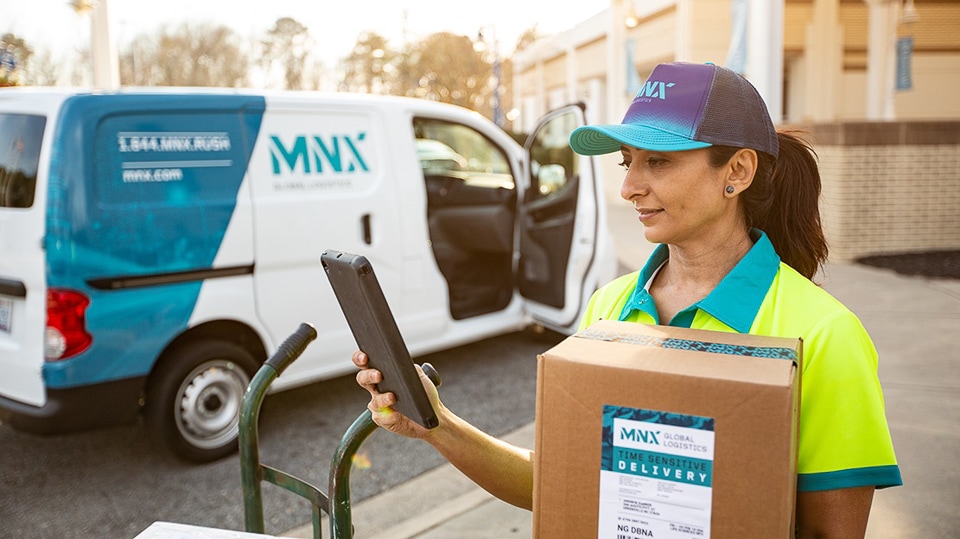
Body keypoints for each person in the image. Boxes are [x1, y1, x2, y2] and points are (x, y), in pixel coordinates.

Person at [353, 61, 901, 538]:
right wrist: (436, 423)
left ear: (737, 171)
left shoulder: (824, 333)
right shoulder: (608, 309)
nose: (629, 187)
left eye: (657, 162)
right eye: (626, 162)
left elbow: (832, 531)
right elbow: (558, 481)